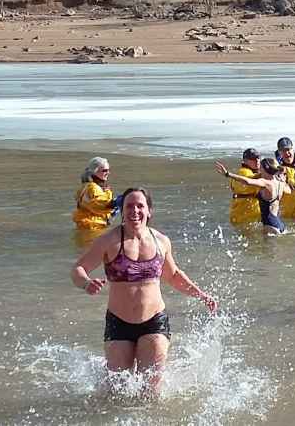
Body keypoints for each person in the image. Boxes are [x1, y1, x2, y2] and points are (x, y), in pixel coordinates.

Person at [71, 187, 216, 392]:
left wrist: (201, 295)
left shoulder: (162, 241)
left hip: (154, 322)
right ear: (122, 210)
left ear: (149, 211)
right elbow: (78, 269)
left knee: (151, 392)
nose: (135, 211)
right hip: (118, 323)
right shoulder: (109, 241)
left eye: (140, 206)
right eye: (129, 206)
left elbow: (173, 275)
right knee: (116, 392)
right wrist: (86, 283)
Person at [215, 157, 292, 233]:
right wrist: (282, 179)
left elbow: (247, 181)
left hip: (270, 225)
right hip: (279, 223)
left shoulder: (265, 182)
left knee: (266, 245)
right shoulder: (280, 182)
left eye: (261, 167)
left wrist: (228, 174)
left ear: (265, 169)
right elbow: (289, 191)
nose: (259, 169)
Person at [73, 157, 122, 230]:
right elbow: (98, 204)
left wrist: (111, 212)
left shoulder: (89, 186)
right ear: (95, 171)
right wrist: (113, 204)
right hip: (91, 227)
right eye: (105, 170)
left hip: (89, 225)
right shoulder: (92, 187)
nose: (108, 173)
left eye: (108, 170)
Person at [226, 148, 262, 225]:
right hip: (243, 216)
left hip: (248, 214)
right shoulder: (243, 172)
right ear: (245, 161)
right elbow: (251, 179)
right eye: (252, 159)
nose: (257, 161)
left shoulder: (253, 171)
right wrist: (270, 171)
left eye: (258, 157)